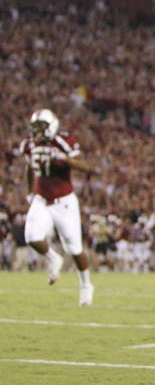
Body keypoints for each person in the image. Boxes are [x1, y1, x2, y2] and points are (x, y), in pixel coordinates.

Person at [17, 109, 98, 306]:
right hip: (41, 200)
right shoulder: (29, 144)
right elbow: (30, 166)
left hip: (64, 202)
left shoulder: (63, 142)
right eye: (35, 128)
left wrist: (64, 159)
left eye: (41, 127)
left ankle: (86, 285)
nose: (37, 132)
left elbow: (88, 167)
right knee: (31, 237)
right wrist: (30, 191)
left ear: (51, 126)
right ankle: (53, 258)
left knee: (74, 249)